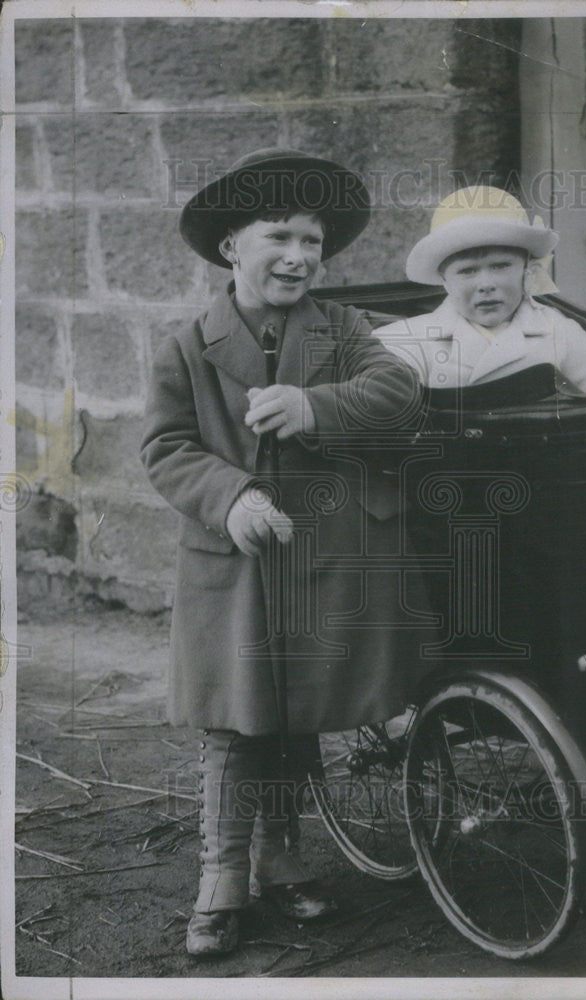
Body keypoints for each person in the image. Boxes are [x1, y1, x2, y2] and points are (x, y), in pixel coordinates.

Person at [140, 148, 428, 957]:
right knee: (235, 725)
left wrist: (314, 403)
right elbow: (165, 447)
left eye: (312, 240)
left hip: (324, 557)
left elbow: (399, 393)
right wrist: (231, 495)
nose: (300, 256)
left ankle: (284, 859)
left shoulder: (343, 330)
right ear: (233, 247)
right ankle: (221, 879)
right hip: (233, 565)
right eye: (280, 237)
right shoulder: (188, 346)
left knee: (293, 715)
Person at [375, 186, 586, 392]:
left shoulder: (562, 334)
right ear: (445, 280)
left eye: (501, 266)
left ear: (526, 270)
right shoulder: (407, 339)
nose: (486, 285)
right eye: (467, 271)